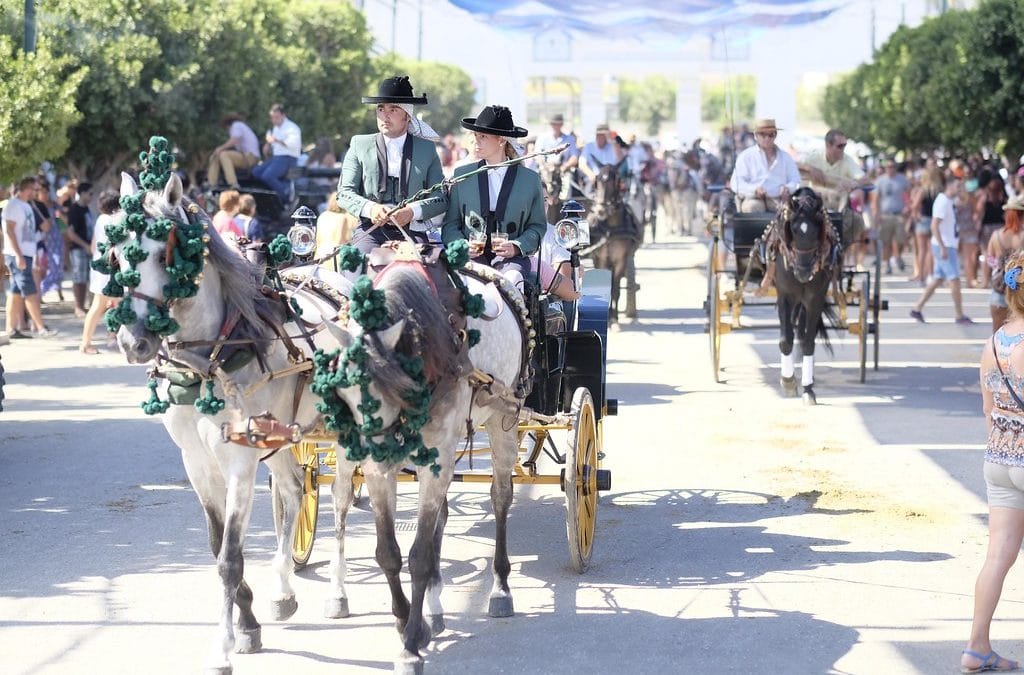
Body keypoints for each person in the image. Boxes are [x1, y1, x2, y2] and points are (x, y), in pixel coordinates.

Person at [964, 252, 1024, 674]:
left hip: (999, 458)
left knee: (997, 557)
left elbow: (988, 410)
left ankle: (976, 646)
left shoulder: (994, 342)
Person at [336, 76, 447, 257]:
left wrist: (411, 212)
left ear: (407, 115)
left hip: (413, 231)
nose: (385, 115)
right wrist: (371, 208)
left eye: (393, 109)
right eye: (381, 109)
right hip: (370, 231)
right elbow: (343, 193)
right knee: (355, 265)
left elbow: (440, 198)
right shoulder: (359, 144)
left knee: (423, 267)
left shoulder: (427, 149)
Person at [441, 104, 547, 288]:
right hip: (470, 258)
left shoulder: (530, 180)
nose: (476, 141)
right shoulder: (462, 175)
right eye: (476, 136)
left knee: (511, 281)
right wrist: (462, 245)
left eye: (483, 136)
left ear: (501, 140)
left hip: (512, 261)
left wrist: (517, 246)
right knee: (467, 284)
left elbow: (537, 226)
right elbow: (450, 224)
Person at [910, 176, 973, 324]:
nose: (959, 189)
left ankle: (917, 308)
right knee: (954, 279)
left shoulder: (949, 200)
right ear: (949, 186)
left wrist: (962, 191)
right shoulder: (942, 201)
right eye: (957, 186)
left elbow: (965, 201)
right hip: (944, 245)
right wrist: (942, 247)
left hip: (948, 244)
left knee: (938, 279)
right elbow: (934, 226)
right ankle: (959, 314)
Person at [2, 177, 57, 338]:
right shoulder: (13, 205)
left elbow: (44, 227)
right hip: (17, 254)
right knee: (30, 290)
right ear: (27, 189)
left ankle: (11, 328)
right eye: (35, 189)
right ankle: (40, 327)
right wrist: (18, 255)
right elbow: (9, 231)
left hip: (26, 254)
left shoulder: (28, 206)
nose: (37, 193)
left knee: (16, 292)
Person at [80, 189, 121, 354]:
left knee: (116, 304)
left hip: (100, 267)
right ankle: (85, 343)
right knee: (99, 306)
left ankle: (113, 336)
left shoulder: (100, 219)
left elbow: (93, 246)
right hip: (108, 269)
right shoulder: (113, 220)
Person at [729, 118, 800, 213]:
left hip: (778, 199)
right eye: (763, 134)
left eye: (771, 135)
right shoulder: (745, 156)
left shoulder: (786, 157)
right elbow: (736, 183)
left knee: (789, 212)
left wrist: (788, 188)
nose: (767, 138)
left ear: (775, 135)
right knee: (753, 207)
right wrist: (754, 190)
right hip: (753, 199)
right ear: (756, 135)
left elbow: (795, 180)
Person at [986, 196, 1024, 332]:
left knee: (997, 334)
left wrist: (1000, 264)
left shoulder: (996, 235)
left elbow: (989, 259)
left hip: (1000, 289)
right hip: (1020, 293)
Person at [252, 103, 302, 204]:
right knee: (256, 172)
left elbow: (293, 145)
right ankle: (273, 194)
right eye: (272, 117)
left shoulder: (292, 128)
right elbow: (274, 147)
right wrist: (268, 146)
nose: (274, 120)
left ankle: (286, 193)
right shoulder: (275, 129)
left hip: (288, 158)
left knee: (268, 176)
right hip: (277, 158)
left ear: (283, 115)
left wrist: (276, 140)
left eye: (276, 117)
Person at [872, 159, 910, 275]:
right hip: (885, 215)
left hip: (899, 214)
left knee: (901, 240)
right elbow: (876, 199)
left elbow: (908, 195)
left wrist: (907, 207)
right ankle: (887, 263)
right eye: (888, 166)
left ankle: (898, 256)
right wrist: (876, 215)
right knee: (886, 241)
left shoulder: (902, 179)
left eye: (893, 166)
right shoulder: (880, 180)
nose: (891, 169)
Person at [207, 113, 260, 189]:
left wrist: (221, 148)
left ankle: (233, 183)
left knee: (223, 154)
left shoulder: (236, 125)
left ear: (227, 125)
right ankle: (211, 184)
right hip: (247, 156)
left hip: (250, 157)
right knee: (215, 156)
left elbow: (234, 140)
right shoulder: (242, 126)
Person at [910, 166, 944, 285]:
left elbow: (914, 206)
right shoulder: (940, 191)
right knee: (931, 250)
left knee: (922, 250)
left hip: (923, 220)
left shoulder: (923, 190)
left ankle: (920, 277)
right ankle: (930, 275)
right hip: (935, 221)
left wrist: (916, 216)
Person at [64, 182, 94, 318]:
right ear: (82, 193)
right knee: (78, 279)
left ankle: (84, 305)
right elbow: (70, 233)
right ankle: (78, 307)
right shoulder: (74, 209)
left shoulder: (86, 209)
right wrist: (84, 245)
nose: (91, 196)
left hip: (88, 248)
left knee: (86, 279)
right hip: (78, 249)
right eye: (90, 193)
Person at [535, 113, 580, 197]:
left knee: (567, 184)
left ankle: (564, 201)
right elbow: (538, 155)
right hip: (545, 169)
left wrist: (564, 167)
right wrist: (543, 167)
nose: (556, 126)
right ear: (551, 125)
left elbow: (574, 157)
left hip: (563, 170)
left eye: (558, 124)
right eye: (554, 124)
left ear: (562, 124)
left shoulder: (570, 139)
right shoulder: (542, 138)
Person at [315, 192, 357, 263]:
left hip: (320, 254)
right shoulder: (343, 218)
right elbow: (341, 240)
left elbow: (317, 239)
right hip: (334, 257)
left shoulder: (322, 216)